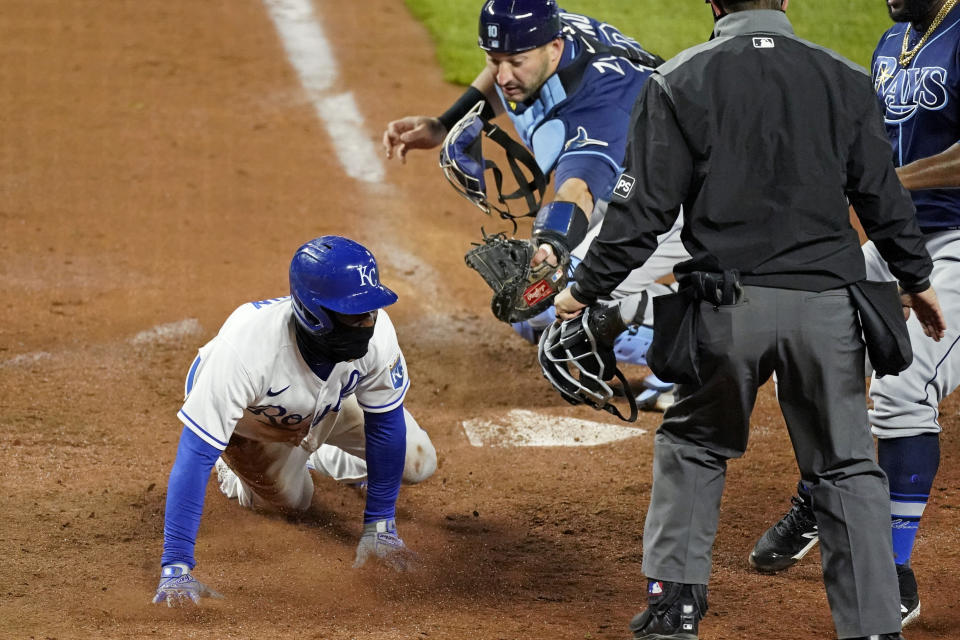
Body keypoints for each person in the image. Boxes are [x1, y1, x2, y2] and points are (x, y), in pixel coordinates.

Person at [552, 0, 947, 638]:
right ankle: (874, 625)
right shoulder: (843, 77)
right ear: (785, 2)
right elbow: (882, 196)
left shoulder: (678, 79)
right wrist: (918, 279)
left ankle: (675, 607)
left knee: (696, 443)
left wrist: (582, 290)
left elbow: (643, 212)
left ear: (714, 4)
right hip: (829, 312)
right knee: (845, 465)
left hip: (726, 310)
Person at [748, 0, 960, 629]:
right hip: (901, 242)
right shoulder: (892, 42)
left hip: (957, 247)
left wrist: (888, 182)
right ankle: (822, 490)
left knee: (903, 389)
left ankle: (891, 568)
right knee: (803, 335)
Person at [382, 0, 689, 410]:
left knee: (551, 292)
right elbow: (502, 68)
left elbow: (577, 189)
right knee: (532, 306)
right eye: (495, 60)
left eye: (516, 62)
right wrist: (444, 122)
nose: (504, 75)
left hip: (678, 195)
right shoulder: (540, 41)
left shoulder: (597, 104)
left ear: (555, 49)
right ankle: (653, 306)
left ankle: (697, 344)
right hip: (629, 176)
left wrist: (553, 248)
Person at [151, 236, 438, 606]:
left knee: (418, 461)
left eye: (371, 310)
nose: (368, 321)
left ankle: (318, 455)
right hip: (253, 424)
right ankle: (235, 471)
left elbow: (385, 424)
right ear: (314, 314)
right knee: (295, 503)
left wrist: (380, 526)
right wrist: (176, 567)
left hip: (330, 402)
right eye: (354, 313)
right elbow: (193, 456)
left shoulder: (377, 333)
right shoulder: (246, 352)